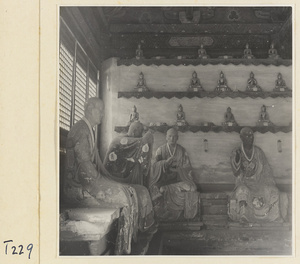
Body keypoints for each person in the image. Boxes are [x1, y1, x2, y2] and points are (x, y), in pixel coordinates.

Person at [63, 97, 155, 255]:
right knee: (125, 196)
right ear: (90, 109)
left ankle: (127, 243)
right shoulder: (80, 130)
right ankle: (121, 249)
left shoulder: (88, 129)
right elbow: (85, 169)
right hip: (79, 188)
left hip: (90, 182)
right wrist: (104, 184)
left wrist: (107, 182)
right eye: (100, 109)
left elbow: (90, 168)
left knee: (128, 191)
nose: (103, 113)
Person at [228, 127, 288, 223]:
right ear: (241, 137)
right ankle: (244, 216)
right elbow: (236, 173)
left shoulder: (258, 152)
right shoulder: (237, 151)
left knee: (274, 191)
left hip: (259, 182)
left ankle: (274, 217)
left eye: (251, 136)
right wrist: (237, 160)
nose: (250, 138)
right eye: (247, 136)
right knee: (242, 191)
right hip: (245, 183)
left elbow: (266, 169)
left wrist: (269, 182)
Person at [149, 128, 199, 221]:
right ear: (166, 137)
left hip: (178, 180)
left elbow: (188, 167)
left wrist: (178, 169)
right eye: (170, 136)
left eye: (174, 136)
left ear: (177, 138)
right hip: (164, 180)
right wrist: (165, 163)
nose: (172, 138)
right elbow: (155, 167)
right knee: (157, 189)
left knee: (193, 188)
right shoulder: (160, 150)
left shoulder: (182, 150)